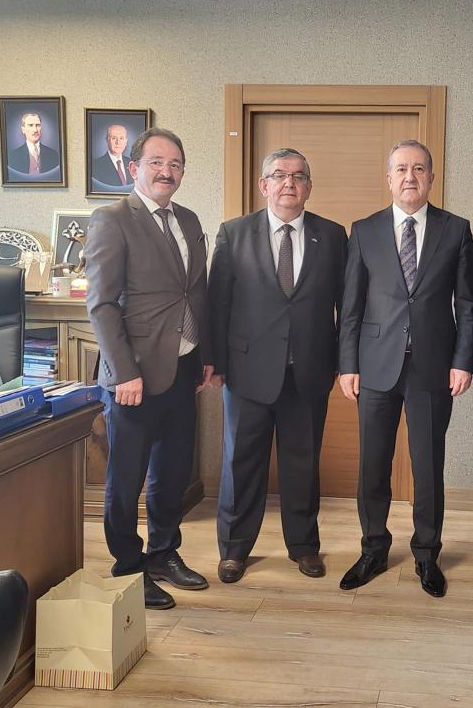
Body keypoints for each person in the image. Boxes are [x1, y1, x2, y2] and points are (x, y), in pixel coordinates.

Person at [337, 139, 473, 598]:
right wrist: (347, 364)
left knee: (428, 465)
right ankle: (373, 549)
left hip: (433, 367)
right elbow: (351, 305)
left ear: (431, 178)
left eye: (418, 169)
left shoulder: (456, 230)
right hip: (374, 365)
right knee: (372, 464)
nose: (409, 177)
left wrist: (463, 360)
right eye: (401, 169)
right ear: (389, 178)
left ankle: (427, 554)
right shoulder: (364, 231)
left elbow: (468, 305)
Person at [85, 127, 214, 610]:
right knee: (126, 476)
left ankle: (163, 553)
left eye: (175, 164)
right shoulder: (112, 219)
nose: (167, 171)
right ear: (134, 167)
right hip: (133, 375)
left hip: (182, 368)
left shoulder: (188, 219)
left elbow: (195, 293)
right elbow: (101, 305)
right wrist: (124, 372)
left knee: (172, 470)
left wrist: (205, 355)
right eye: (157, 162)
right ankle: (128, 566)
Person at [208, 148, 347, 584]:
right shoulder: (234, 233)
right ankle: (234, 549)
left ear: (309, 187)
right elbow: (217, 304)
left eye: (298, 176)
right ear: (263, 184)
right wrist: (216, 362)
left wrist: (344, 363)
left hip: (309, 371)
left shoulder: (333, 235)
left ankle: (304, 546)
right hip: (247, 371)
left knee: (302, 464)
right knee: (240, 463)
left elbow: (347, 306)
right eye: (280, 175)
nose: (289, 183)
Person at [7, 111, 60, 176]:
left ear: (41, 129)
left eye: (38, 125)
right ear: (23, 129)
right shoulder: (13, 156)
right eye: (30, 125)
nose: (35, 130)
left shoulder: (54, 155)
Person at [91, 124, 134, 190]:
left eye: (121, 138)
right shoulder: (95, 166)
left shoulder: (132, 163)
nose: (118, 142)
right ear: (107, 140)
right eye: (114, 138)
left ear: (126, 141)